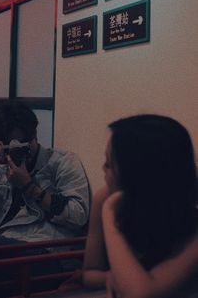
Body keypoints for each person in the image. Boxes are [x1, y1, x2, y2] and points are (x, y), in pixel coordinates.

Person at [83, 114, 198, 298]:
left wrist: (109, 215)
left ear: (137, 174)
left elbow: (141, 293)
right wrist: (114, 276)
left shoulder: (192, 229)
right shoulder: (103, 197)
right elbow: (89, 274)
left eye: (109, 164)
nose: (103, 169)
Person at [0, 100, 90, 248]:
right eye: (6, 146)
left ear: (34, 135)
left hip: (35, 249)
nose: (13, 152)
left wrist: (29, 187)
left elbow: (78, 216)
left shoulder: (61, 162)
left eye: (19, 145)